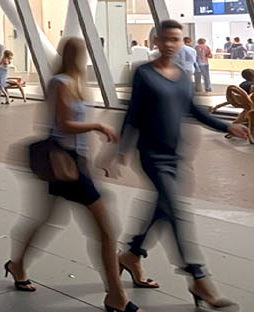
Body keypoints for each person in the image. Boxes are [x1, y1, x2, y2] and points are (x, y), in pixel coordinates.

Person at [107, 19, 250, 308]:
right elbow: (133, 113)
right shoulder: (144, 74)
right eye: (167, 39)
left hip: (175, 156)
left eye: (178, 39)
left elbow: (193, 111)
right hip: (151, 154)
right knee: (176, 211)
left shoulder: (183, 76)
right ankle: (197, 277)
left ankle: (131, 254)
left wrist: (227, 126)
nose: (172, 44)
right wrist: (121, 149)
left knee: (163, 208)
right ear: (156, 42)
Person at [6, 37, 136, 312]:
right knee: (106, 231)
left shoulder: (76, 84)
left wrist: (89, 160)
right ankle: (116, 296)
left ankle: (16, 264)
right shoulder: (60, 83)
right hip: (64, 163)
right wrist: (98, 125)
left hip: (71, 164)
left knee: (45, 220)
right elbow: (63, 125)